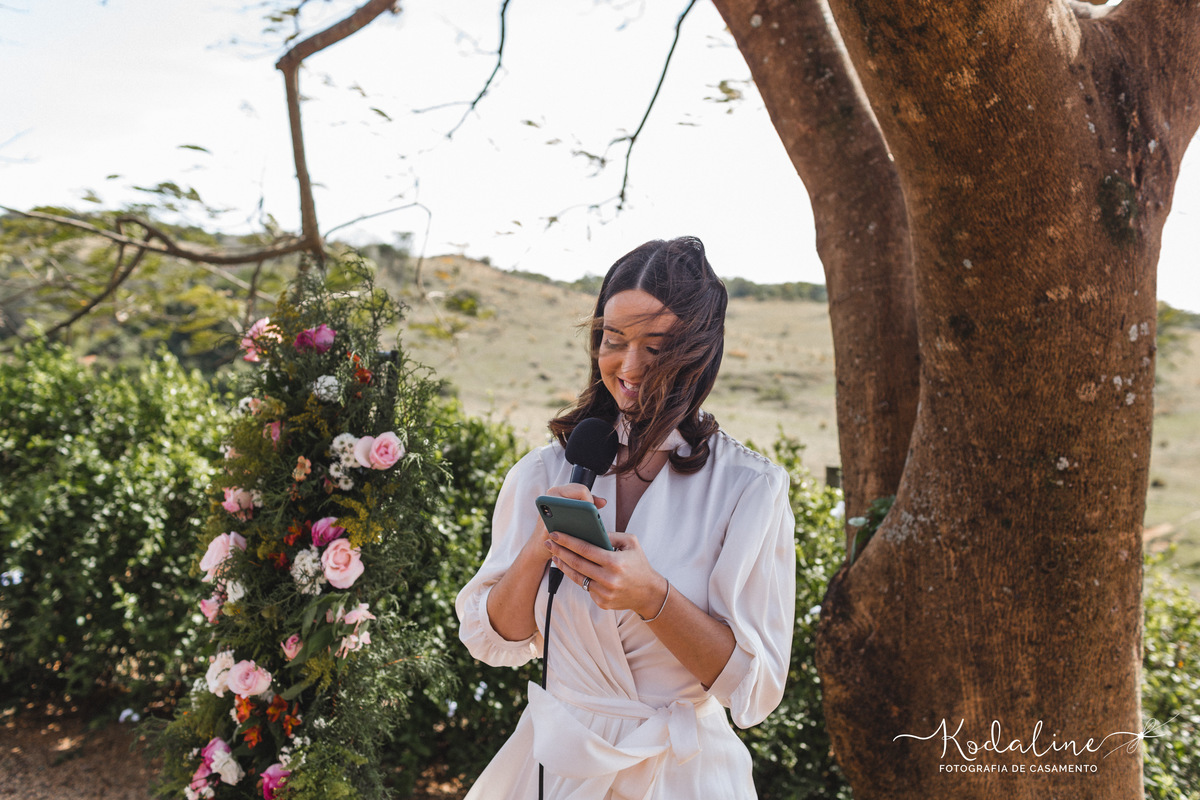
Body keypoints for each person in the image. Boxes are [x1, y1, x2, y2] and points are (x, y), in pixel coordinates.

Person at [456, 236, 796, 799]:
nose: (629, 366)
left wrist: (653, 598)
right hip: (555, 768)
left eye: (657, 346)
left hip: (681, 776)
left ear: (701, 351)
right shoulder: (544, 473)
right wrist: (536, 552)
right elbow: (494, 640)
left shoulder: (750, 489)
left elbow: (754, 691)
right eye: (613, 342)